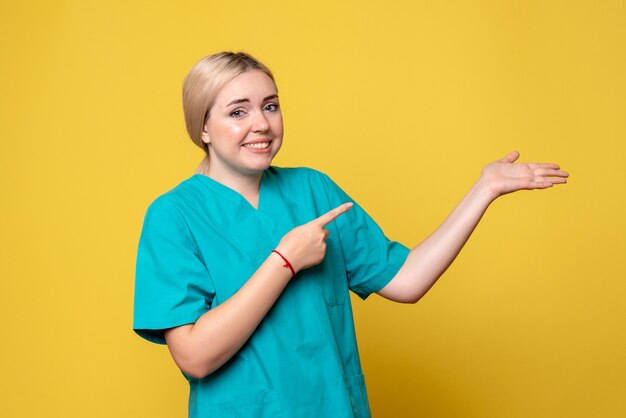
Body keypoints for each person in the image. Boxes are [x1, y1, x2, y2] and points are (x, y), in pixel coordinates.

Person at [133, 51, 568, 418]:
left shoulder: (313, 190)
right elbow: (195, 356)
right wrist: (284, 262)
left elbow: (407, 279)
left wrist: (484, 189)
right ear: (203, 127)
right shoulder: (174, 216)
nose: (262, 124)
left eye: (271, 105)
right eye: (237, 111)